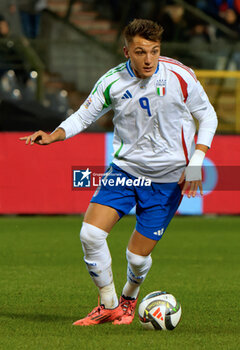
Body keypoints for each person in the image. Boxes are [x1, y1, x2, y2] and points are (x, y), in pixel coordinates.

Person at [20, 19, 218, 326]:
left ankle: (129, 297)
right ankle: (109, 305)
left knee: (137, 258)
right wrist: (54, 134)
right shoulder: (112, 82)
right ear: (127, 51)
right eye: (140, 52)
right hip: (125, 171)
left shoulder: (180, 75)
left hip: (167, 179)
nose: (149, 59)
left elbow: (208, 117)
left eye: (154, 50)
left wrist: (196, 160)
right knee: (90, 234)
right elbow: (83, 116)